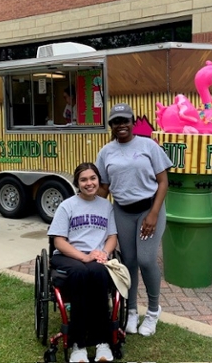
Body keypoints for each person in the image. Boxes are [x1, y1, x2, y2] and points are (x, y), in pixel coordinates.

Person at [95, 103, 173, 337]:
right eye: (116, 122)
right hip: (122, 211)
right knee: (128, 262)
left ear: (132, 121)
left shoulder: (148, 145)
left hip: (149, 210)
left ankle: (152, 311)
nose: (121, 125)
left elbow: (163, 182)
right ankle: (130, 311)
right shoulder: (106, 152)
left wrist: (153, 214)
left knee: (146, 260)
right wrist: (82, 205)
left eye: (125, 120)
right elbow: (104, 188)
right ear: (111, 126)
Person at [47, 162, 117, 363]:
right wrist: (83, 256)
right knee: (80, 272)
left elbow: (112, 236)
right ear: (78, 183)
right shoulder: (67, 205)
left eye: (93, 178)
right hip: (68, 255)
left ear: (98, 180)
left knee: (98, 272)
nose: (89, 183)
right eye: (84, 179)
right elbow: (58, 240)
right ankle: (78, 344)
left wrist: (104, 252)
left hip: (96, 256)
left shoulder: (106, 206)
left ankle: (103, 341)